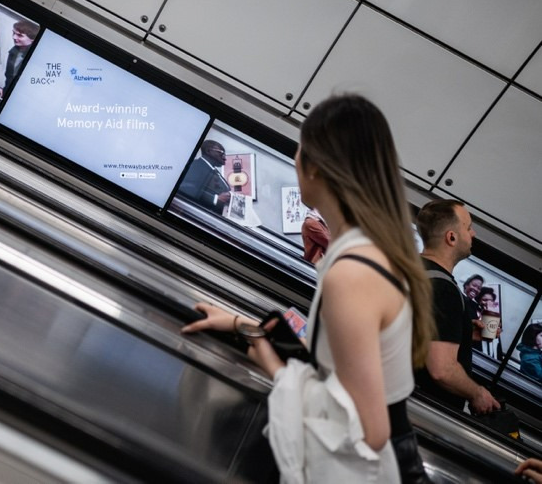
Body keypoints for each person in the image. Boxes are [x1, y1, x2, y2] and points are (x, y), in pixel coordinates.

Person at [183, 94, 433, 482]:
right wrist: (240, 324)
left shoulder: (351, 274)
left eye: (300, 151)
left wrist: (275, 368)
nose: (296, 160)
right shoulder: (371, 250)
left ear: (316, 167)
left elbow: (370, 430)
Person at [414, 199, 501, 414]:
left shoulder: (412, 269)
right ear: (451, 237)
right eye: (468, 227)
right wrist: (477, 393)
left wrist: (462, 332)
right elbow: (442, 369)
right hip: (425, 412)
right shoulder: (444, 289)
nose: (474, 234)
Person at [178, 139, 230, 214]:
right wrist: (215, 199)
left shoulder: (211, 169)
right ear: (208, 151)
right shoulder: (195, 165)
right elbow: (185, 188)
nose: (225, 158)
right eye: (221, 153)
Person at [3, 19, 40, 92]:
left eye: (20, 35)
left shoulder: (35, 57)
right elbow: (9, 78)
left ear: (33, 39)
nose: (14, 37)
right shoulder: (13, 52)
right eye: (13, 33)